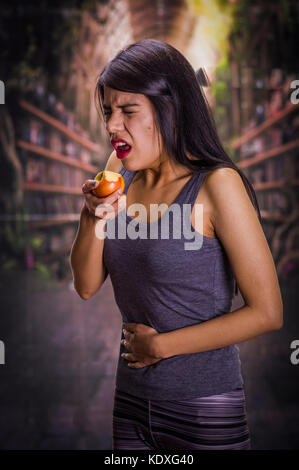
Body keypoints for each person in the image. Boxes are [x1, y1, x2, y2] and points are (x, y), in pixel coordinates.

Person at [70, 39, 283, 451]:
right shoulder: (119, 174)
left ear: (170, 109)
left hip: (204, 407)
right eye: (109, 112)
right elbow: (85, 285)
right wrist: (91, 214)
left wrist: (161, 346)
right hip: (131, 403)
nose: (113, 126)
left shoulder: (217, 186)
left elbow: (268, 313)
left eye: (128, 111)